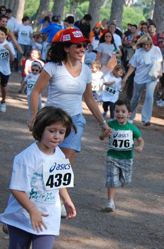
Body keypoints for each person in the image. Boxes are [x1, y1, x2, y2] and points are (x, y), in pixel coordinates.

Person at [0, 106, 77, 249]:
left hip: (48, 217)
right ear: (40, 129)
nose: (57, 136)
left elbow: (60, 183)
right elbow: (17, 189)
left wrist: (67, 201)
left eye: (61, 132)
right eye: (52, 131)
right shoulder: (26, 157)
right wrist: (31, 210)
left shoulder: (60, 155)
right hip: (23, 216)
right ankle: (10, 226)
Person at [28, 28, 112, 165]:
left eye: (84, 45)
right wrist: (33, 115)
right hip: (51, 119)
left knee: (65, 162)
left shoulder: (86, 70)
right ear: (66, 48)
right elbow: (36, 91)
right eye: (78, 45)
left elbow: (89, 98)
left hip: (74, 120)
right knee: (47, 157)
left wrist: (103, 123)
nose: (82, 49)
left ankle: (60, 187)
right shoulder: (52, 66)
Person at [99, 98, 144, 213]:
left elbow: (141, 140)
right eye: (117, 111)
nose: (120, 114)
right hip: (112, 157)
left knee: (126, 180)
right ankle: (110, 202)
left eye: (123, 111)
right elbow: (101, 137)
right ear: (113, 112)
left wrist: (140, 147)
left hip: (127, 158)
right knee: (111, 179)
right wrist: (104, 134)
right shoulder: (110, 125)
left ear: (128, 114)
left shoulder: (132, 128)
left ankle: (121, 179)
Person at [122, 34, 162, 127]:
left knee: (149, 96)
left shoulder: (156, 50)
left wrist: (160, 72)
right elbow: (133, 66)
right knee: (135, 98)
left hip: (151, 77)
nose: (146, 46)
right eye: (144, 44)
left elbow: (159, 62)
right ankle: (130, 117)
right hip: (139, 77)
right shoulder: (138, 52)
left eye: (148, 44)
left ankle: (146, 118)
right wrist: (126, 76)